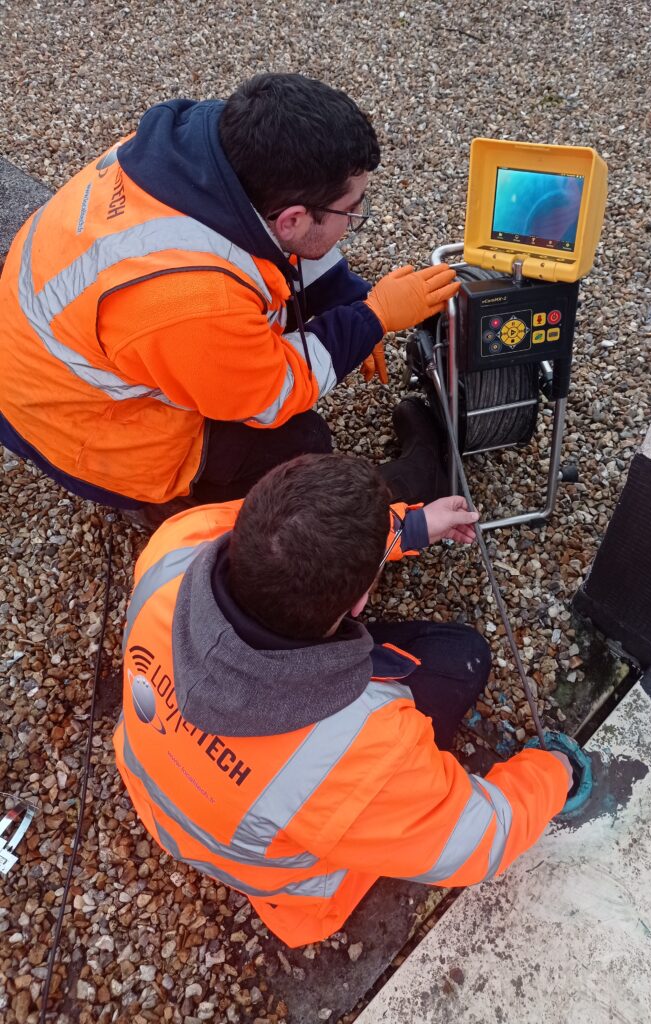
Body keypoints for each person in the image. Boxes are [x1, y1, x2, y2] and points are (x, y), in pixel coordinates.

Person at [114, 453, 572, 947]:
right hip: (287, 889)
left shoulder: (175, 546)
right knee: (462, 656)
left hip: (155, 788)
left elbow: (285, 541)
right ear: (358, 603)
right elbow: (483, 838)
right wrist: (556, 771)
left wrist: (413, 527)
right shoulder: (357, 749)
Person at [0, 74, 458, 527]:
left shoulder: (197, 158)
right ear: (293, 218)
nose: (356, 217)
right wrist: (370, 318)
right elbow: (272, 393)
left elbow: (281, 247)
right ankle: (174, 507)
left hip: (45, 364)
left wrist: (347, 295)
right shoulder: (194, 298)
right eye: (350, 210)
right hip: (85, 431)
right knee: (297, 444)